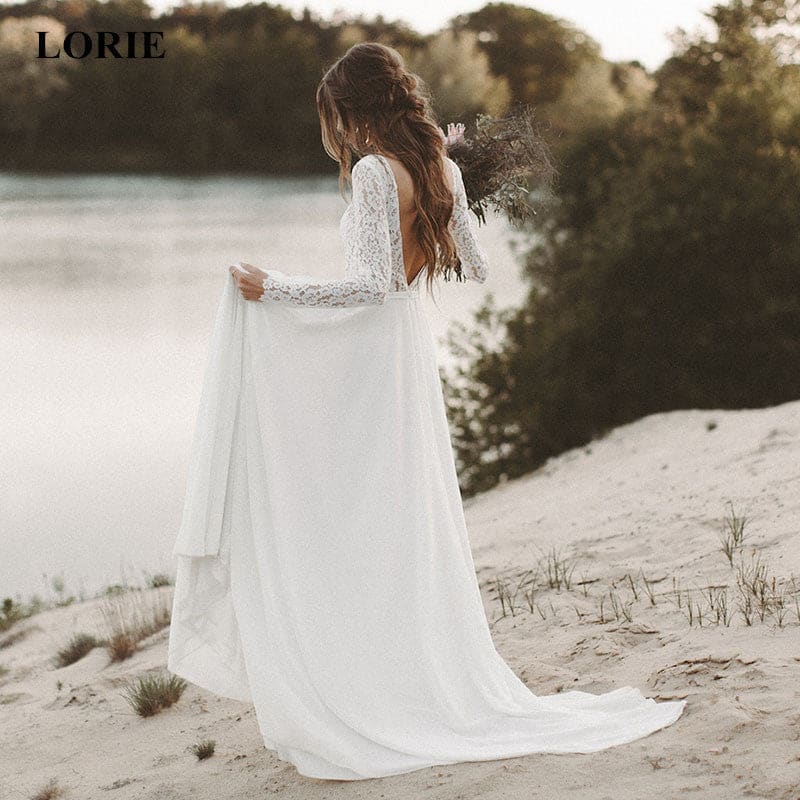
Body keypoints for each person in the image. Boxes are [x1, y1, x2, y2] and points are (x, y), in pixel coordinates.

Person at [167, 42, 686, 781]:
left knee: (345, 502)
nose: (337, 131)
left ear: (355, 108)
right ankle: (395, 662)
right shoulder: (439, 168)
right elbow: (472, 265)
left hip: (370, 353)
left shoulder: (377, 173)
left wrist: (272, 287)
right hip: (406, 349)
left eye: (337, 114)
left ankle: (368, 676)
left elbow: (371, 286)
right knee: (393, 504)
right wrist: (441, 198)